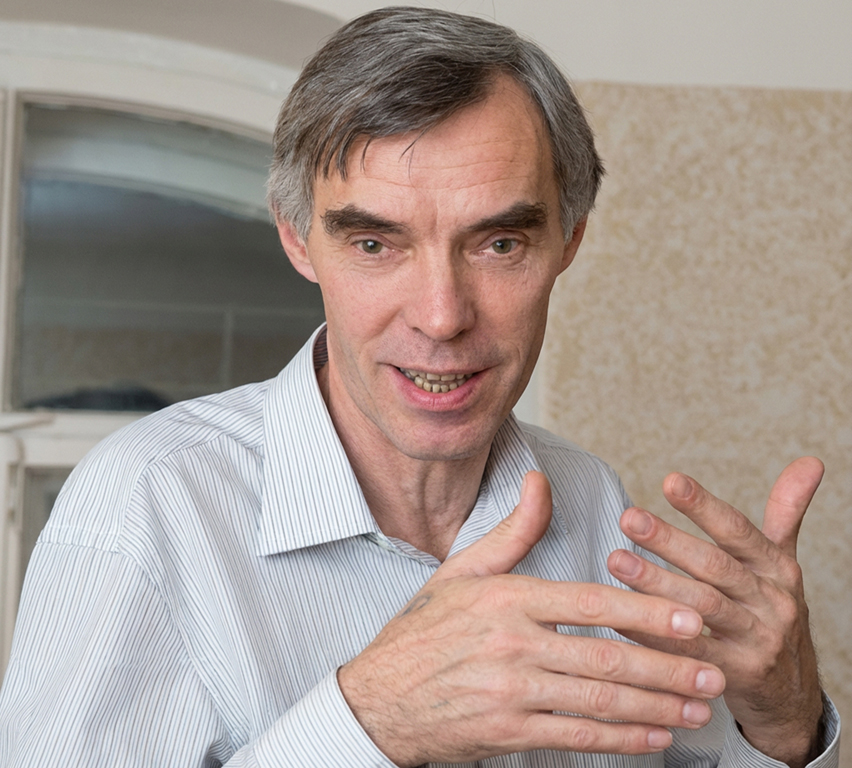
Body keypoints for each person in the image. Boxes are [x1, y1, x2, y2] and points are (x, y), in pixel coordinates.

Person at [0, 7, 840, 767]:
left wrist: (782, 723)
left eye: (499, 244)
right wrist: (369, 722)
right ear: (297, 238)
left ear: (569, 241)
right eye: (375, 244)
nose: (442, 317)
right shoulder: (146, 506)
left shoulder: (593, 505)